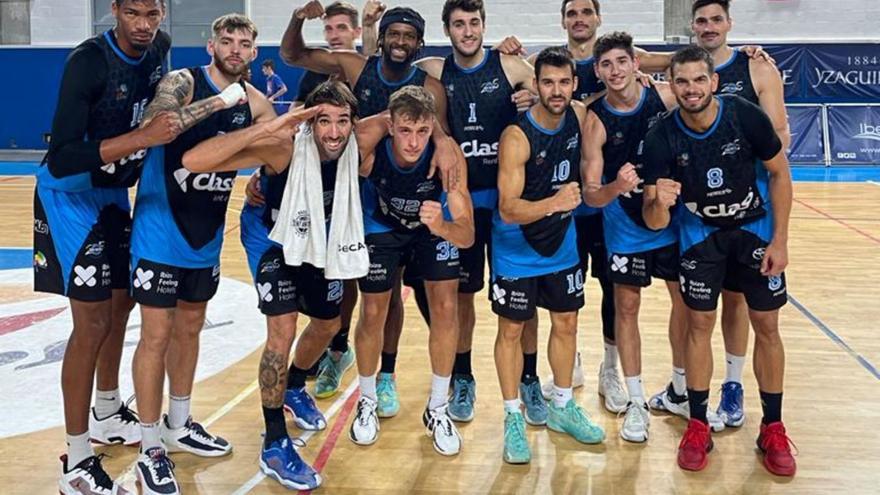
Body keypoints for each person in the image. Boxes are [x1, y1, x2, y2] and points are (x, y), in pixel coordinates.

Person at [281, 1, 460, 418]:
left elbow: (441, 136)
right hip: (352, 198)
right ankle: (339, 351)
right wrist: (297, 19)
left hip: (402, 202)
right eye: (393, 34)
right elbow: (292, 54)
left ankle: (386, 374)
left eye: (408, 36)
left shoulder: (428, 87)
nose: (400, 42)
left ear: (418, 43)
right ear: (382, 38)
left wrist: (448, 145)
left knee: (390, 294)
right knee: (348, 286)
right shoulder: (355, 67)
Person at [183, 83, 362, 490]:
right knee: (281, 331)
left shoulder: (358, 142)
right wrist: (271, 128)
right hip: (271, 241)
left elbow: (399, 118)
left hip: (320, 240)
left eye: (342, 121)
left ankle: (295, 386)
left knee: (328, 324)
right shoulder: (283, 147)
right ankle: (274, 441)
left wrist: (439, 141)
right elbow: (194, 160)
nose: (333, 132)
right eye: (323, 121)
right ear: (308, 122)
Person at [129, 14, 276, 494]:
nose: (236, 49)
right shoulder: (184, 82)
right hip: (158, 229)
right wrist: (221, 101)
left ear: (254, 52)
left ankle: (179, 422)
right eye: (228, 41)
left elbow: (276, 147)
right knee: (156, 335)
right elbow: (158, 125)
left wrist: (260, 176)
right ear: (211, 45)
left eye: (245, 43)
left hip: (205, 233)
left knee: (190, 329)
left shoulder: (255, 102)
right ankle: (151, 445)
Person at [34, 1, 171, 492]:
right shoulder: (88, 61)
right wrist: (141, 137)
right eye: (132, 11)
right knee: (90, 323)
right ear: (113, 9)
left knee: (122, 304)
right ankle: (75, 458)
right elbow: (65, 155)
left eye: (152, 12)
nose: (143, 23)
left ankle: (108, 412)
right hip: (69, 196)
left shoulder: (159, 49)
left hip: (113, 191)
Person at [642, 45, 795, 476]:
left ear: (713, 82)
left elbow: (781, 173)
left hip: (755, 232)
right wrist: (660, 202)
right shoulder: (660, 137)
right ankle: (696, 423)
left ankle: (773, 426)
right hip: (700, 238)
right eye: (681, 81)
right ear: (671, 86)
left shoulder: (744, 115)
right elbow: (655, 223)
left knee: (766, 325)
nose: (690, 89)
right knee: (698, 325)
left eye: (698, 80)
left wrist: (780, 241)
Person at [410, 0, 544, 425]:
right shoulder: (433, 70)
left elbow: (554, 89)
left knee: (525, 299)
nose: (467, 31)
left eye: (474, 23)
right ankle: (463, 376)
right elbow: (382, 61)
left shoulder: (510, 65)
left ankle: (530, 378)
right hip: (461, 202)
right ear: (446, 30)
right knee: (463, 296)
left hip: (507, 204)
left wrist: (533, 95)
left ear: (484, 26)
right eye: (459, 24)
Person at [346, 86, 473, 456]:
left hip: (431, 231)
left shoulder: (448, 161)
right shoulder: (371, 150)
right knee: (373, 311)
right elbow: (344, 140)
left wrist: (442, 227)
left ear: (431, 126)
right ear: (390, 125)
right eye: (405, 130)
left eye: (422, 131)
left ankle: (437, 407)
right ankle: (367, 399)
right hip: (381, 227)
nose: (414, 142)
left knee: (446, 309)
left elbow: (466, 236)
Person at [494, 47, 605, 465]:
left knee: (567, 321)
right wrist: (556, 202)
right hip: (516, 245)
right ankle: (511, 417)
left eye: (563, 82)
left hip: (560, 242)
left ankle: (561, 406)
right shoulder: (517, 136)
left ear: (574, 85)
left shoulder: (578, 116)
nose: (555, 90)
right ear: (535, 85)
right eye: (547, 82)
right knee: (510, 330)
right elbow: (508, 207)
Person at [581, 31, 692, 443]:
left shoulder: (662, 99)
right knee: (626, 308)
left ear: (635, 64)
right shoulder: (595, 121)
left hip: (671, 216)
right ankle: (636, 401)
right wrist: (615, 186)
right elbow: (591, 193)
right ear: (598, 71)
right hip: (624, 225)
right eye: (606, 65)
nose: (615, 71)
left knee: (685, 302)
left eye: (622, 62)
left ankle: (680, 389)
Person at [691, 0, 790, 429]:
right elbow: (644, 59)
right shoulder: (687, 71)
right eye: (701, 21)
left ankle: (751, 401)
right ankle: (713, 387)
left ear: (730, 23)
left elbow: (779, 138)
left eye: (717, 19)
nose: (710, 27)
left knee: (759, 315)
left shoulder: (758, 69)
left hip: (755, 216)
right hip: (709, 219)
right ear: (692, 27)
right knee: (715, 308)